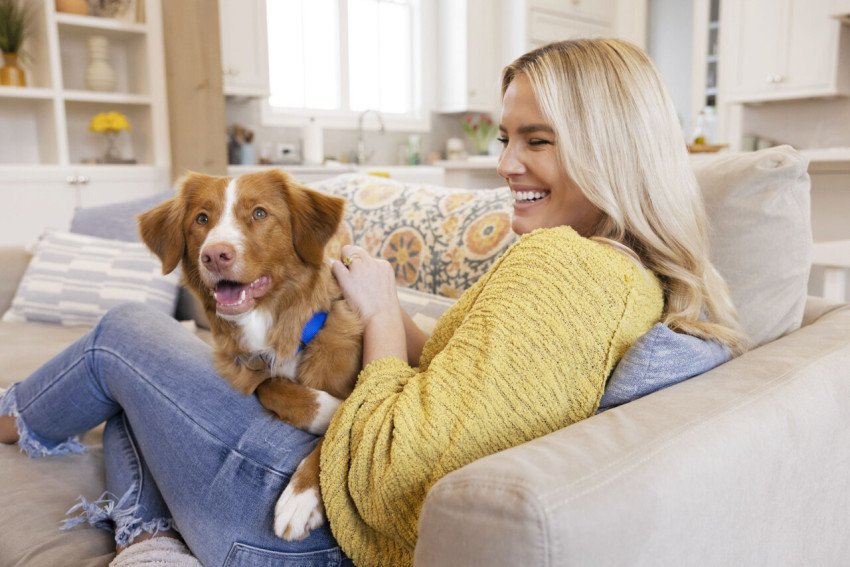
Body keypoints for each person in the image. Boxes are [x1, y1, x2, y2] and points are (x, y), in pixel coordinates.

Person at [0, 39, 747, 567]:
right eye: (506, 136)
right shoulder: (626, 275)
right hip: (323, 507)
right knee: (140, 394)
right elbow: (474, 375)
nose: (506, 162)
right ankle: (151, 540)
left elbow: (392, 468)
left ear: (610, 150)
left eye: (537, 141)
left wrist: (383, 315)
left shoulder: (561, 267)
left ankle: (12, 413)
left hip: (311, 532)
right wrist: (386, 306)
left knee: (122, 332)